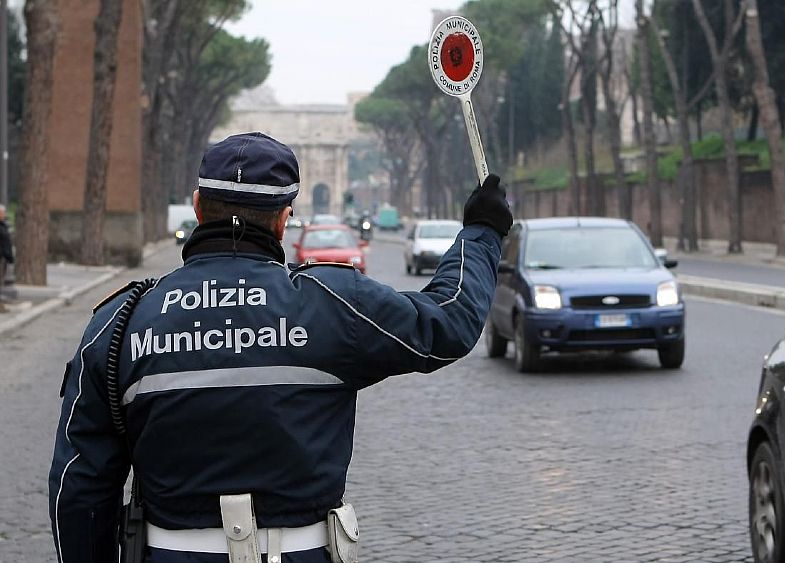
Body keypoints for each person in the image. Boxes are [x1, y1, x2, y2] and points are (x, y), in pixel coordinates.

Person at [48, 132, 512, 563]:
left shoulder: (122, 320)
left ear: (196, 206)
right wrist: (482, 232)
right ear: (284, 218)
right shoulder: (332, 303)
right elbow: (448, 320)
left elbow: (79, 485)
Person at [0, 204, 13, 310]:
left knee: (1, 281)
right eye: (2, 212)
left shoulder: (3, 225)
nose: (4, 214)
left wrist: (9, 257)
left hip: (3, 258)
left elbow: (6, 242)